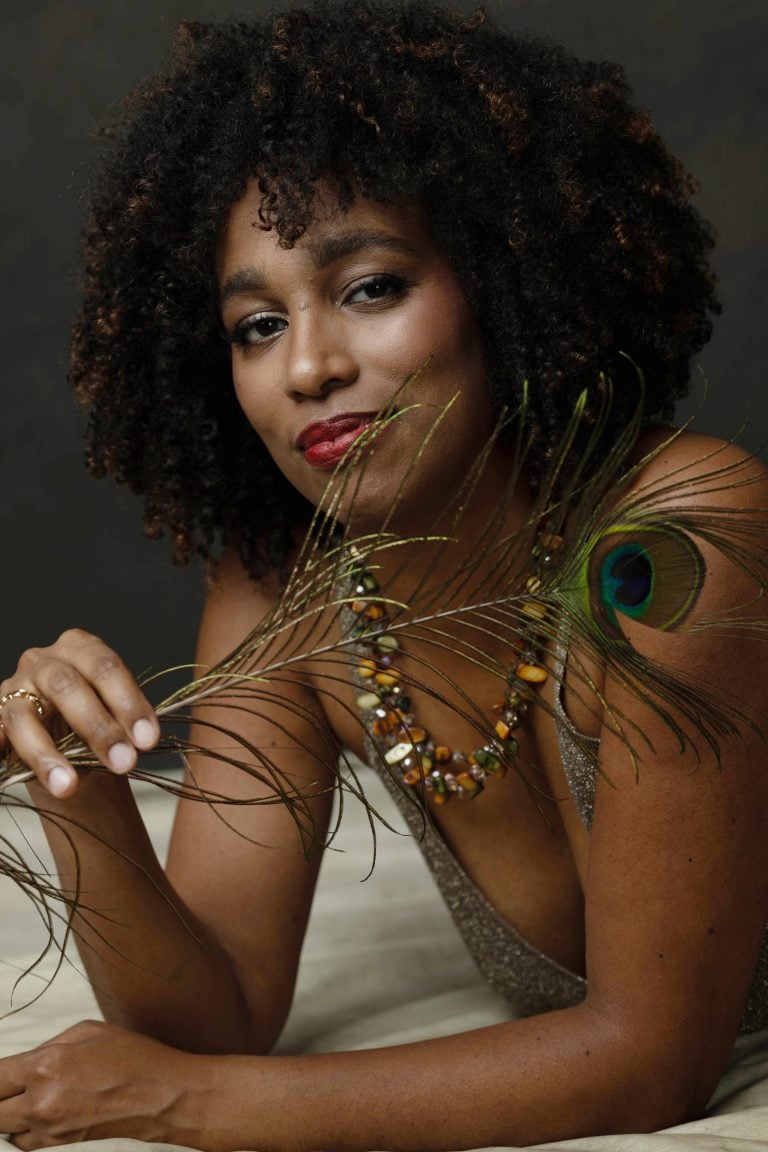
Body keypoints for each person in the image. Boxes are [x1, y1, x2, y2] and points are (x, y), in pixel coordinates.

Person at [0, 2, 767, 1148]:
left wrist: (188, 1105)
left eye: (370, 287)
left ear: (500, 282)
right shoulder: (289, 594)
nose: (308, 366)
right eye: (257, 325)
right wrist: (82, 792)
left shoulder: (663, 546)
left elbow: (652, 1062)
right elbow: (212, 1018)